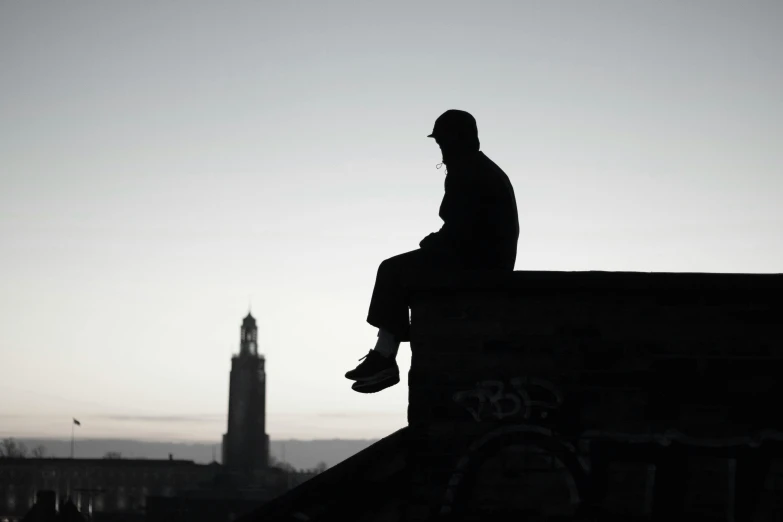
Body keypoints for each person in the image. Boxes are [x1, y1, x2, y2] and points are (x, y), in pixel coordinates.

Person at [345, 110, 519, 393]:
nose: (442, 150)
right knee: (399, 269)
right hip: (485, 260)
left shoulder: (469, 172)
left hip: (478, 264)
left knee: (392, 270)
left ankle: (385, 358)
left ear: (458, 140)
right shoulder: (480, 169)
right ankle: (384, 354)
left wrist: (433, 244)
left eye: (443, 143)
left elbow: (463, 232)